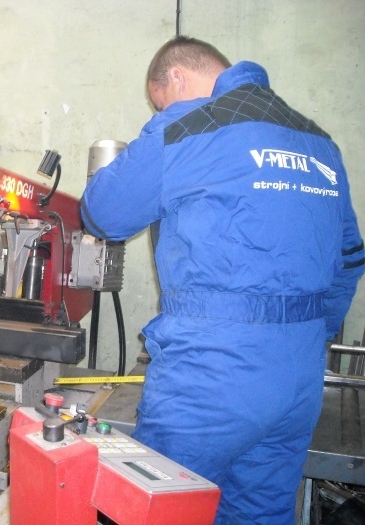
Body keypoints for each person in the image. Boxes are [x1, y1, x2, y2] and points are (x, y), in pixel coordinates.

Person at [80, 36, 364, 525]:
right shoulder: (319, 141)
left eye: (161, 103)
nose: (164, 111)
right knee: (259, 513)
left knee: (158, 511)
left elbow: (103, 213)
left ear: (177, 79)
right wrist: (305, 336)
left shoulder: (190, 127)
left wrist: (165, 121)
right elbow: (350, 259)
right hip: (299, 376)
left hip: (211, 374)